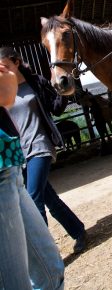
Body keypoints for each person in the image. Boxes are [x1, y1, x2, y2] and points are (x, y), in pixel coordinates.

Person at [0, 47, 87, 254]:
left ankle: (45, 253)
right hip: (19, 153)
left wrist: (66, 90)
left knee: (33, 198)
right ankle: (78, 230)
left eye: (4, 66)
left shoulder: (35, 82)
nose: (1, 71)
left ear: (16, 63)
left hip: (40, 145)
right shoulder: (3, 91)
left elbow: (56, 107)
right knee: (49, 198)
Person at [0, 60, 65, 289]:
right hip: (11, 164)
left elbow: (56, 106)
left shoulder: (33, 84)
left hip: (18, 158)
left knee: (51, 274)